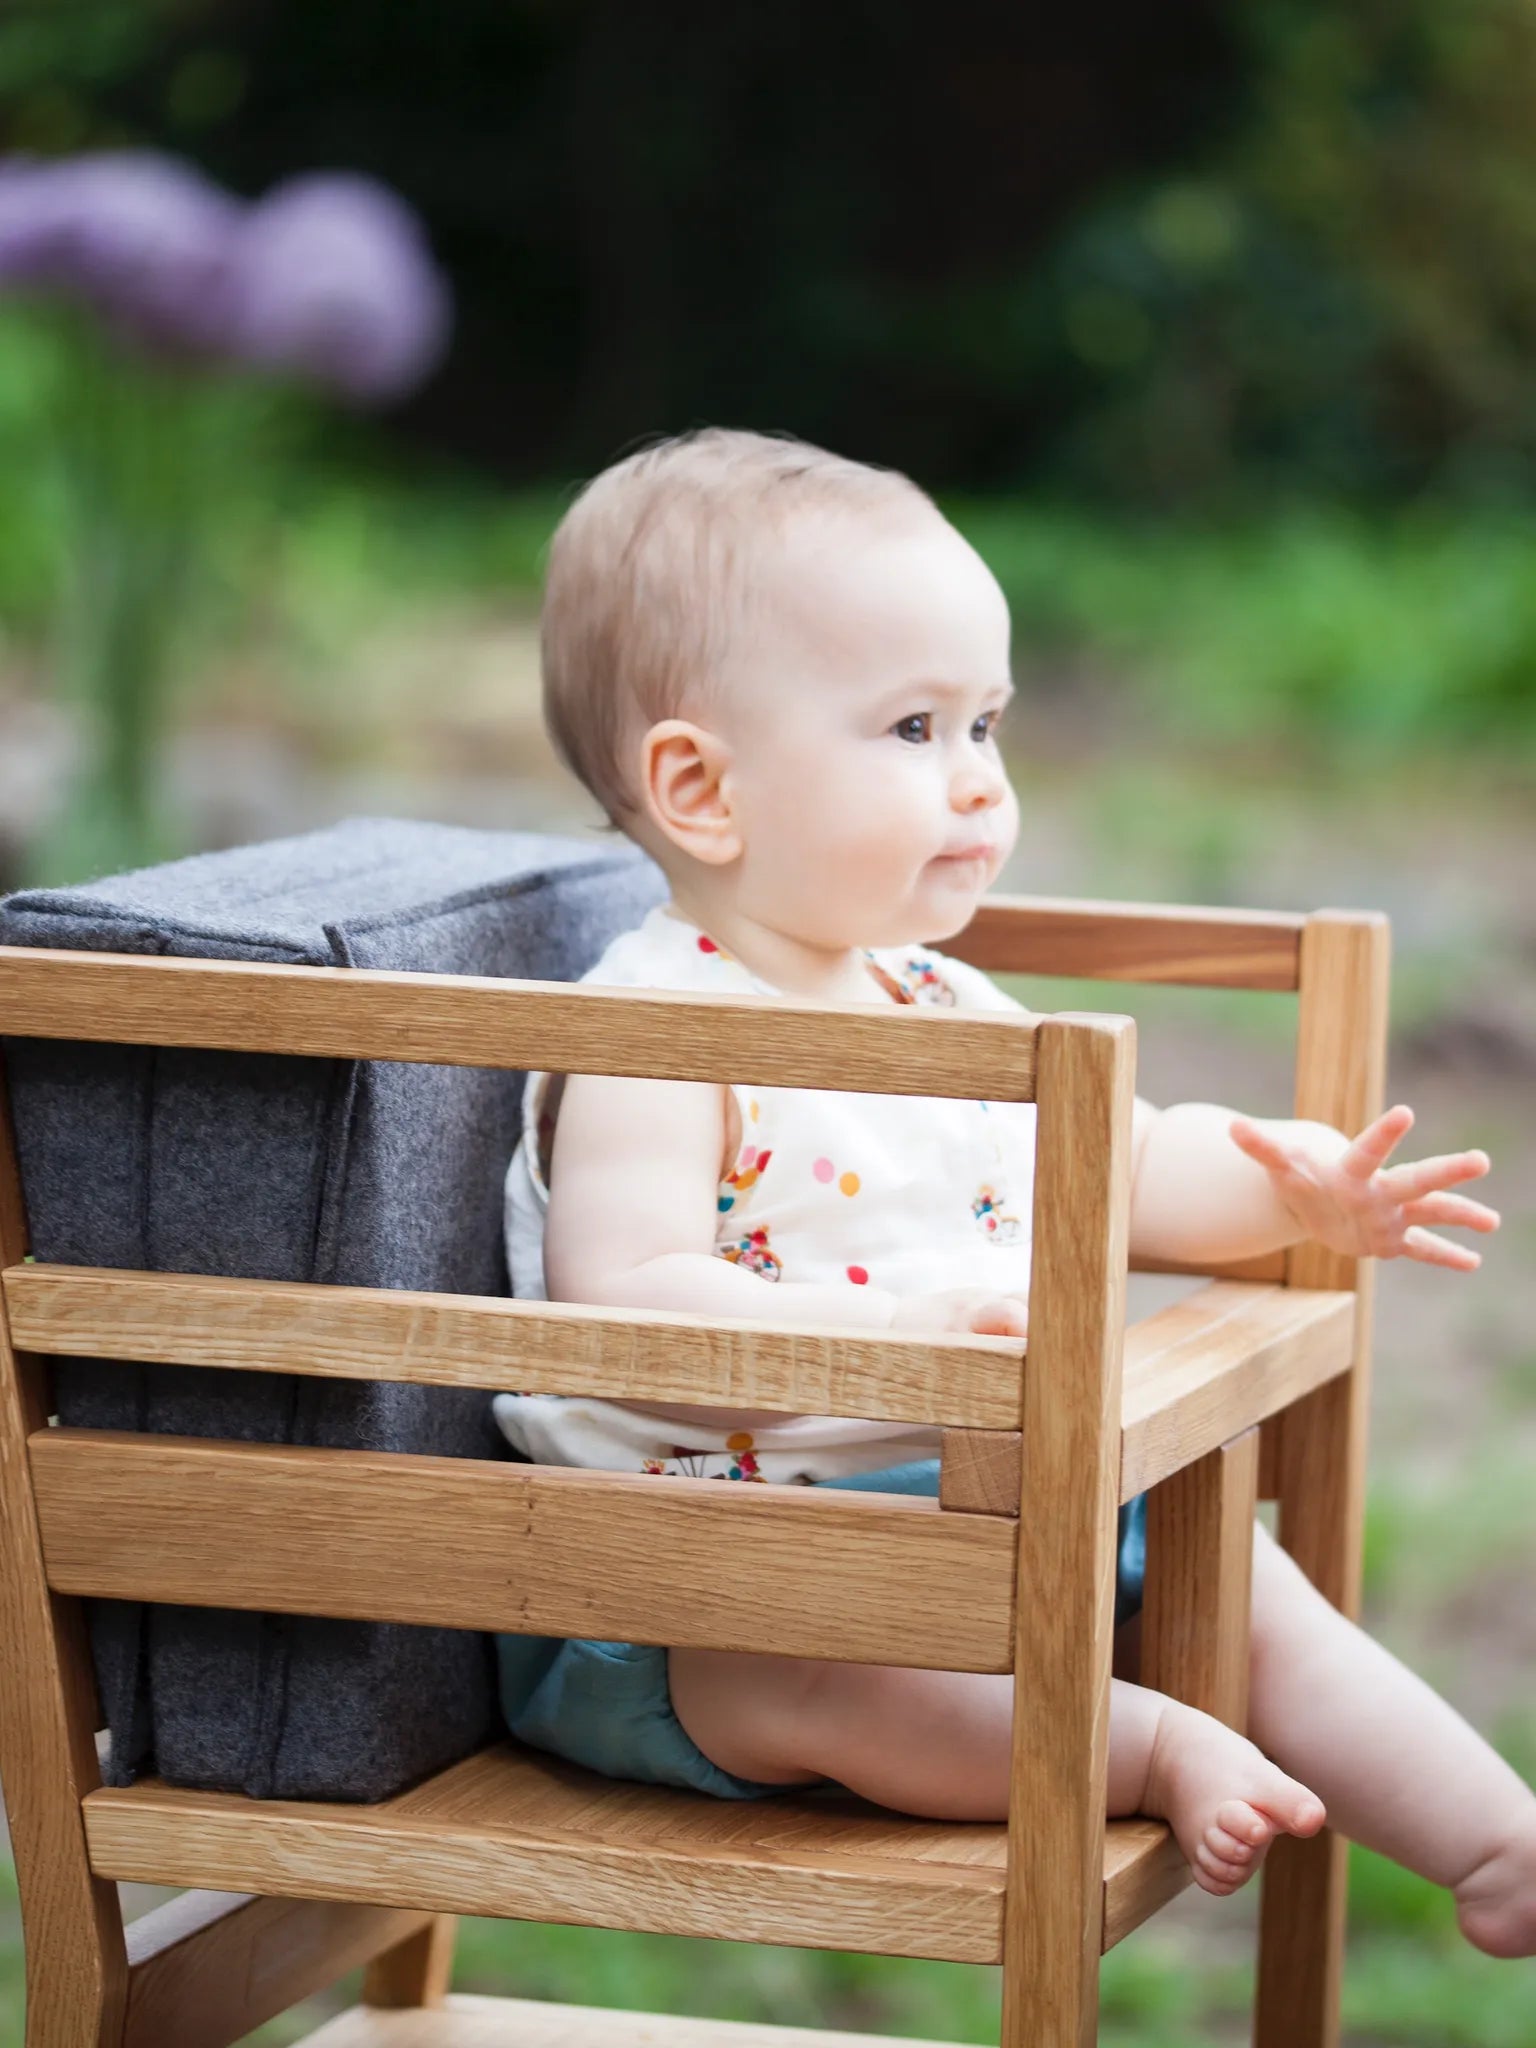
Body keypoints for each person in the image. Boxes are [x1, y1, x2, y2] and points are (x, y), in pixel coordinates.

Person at [491, 428, 1533, 1957]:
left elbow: (1133, 1167)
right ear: (700, 787)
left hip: (984, 1514)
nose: (981, 785)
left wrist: (1286, 1186)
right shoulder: (657, 1031)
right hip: (700, 1589)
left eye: (990, 725)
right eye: (915, 728)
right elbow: (629, 1298)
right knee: (828, 1679)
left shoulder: (934, 999)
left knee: (1232, 1563)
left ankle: (1493, 1837)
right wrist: (904, 1336)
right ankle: (1150, 1746)